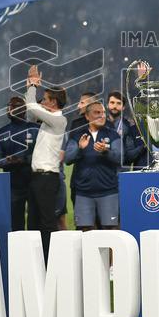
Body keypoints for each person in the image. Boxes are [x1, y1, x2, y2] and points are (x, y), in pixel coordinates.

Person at [24, 64, 68, 257]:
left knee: (47, 222)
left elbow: (31, 105)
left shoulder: (59, 120)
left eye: (45, 99)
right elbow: (30, 112)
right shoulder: (48, 120)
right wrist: (31, 88)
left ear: (54, 103)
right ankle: (37, 261)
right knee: (33, 222)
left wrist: (33, 85)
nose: (42, 102)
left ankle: (51, 261)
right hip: (37, 177)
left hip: (47, 178)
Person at [65, 101, 122, 230]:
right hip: (83, 193)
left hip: (108, 192)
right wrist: (80, 149)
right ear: (87, 116)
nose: (102, 115)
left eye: (103, 112)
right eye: (97, 112)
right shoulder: (78, 135)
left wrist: (106, 152)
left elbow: (120, 157)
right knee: (85, 230)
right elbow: (67, 159)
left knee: (111, 230)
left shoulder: (112, 134)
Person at [0, 97, 38, 231]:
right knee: (16, 223)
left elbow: (43, 154)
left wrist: (24, 159)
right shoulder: (1, 132)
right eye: (9, 106)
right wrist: (8, 161)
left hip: (34, 181)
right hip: (13, 185)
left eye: (15, 106)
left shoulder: (35, 129)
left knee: (35, 222)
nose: (10, 109)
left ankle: (37, 245)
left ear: (24, 109)